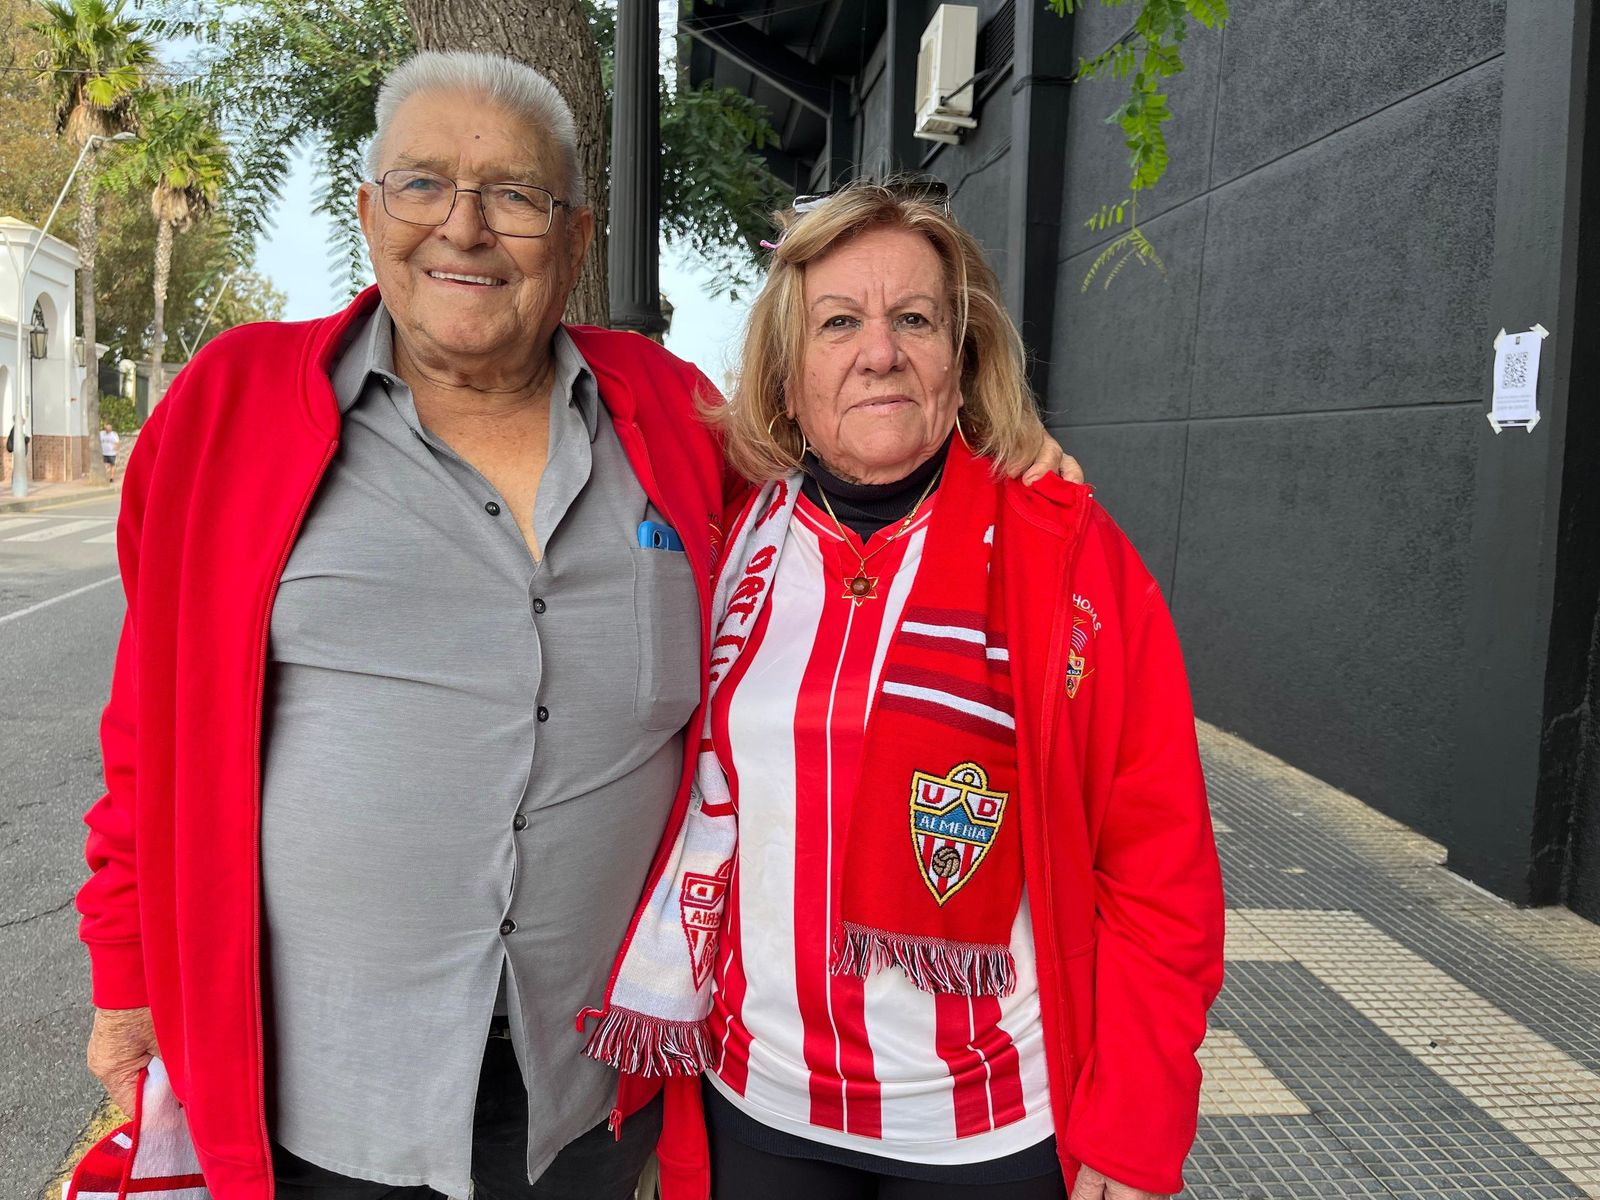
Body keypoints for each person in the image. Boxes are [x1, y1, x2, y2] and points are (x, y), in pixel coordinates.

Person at [78, 52, 1078, 1200]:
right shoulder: (231, 405)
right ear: (367, 210)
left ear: (577, 232)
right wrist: (125, 975)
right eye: (420, 185)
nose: (463, 228)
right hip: (323, 1087)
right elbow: (148, 725)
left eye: (515, 196)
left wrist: (1003, 465)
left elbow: (851, 484)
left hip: (592, 1084)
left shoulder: (669, 414)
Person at [590, 184, 1225, 1200]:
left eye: (915, 320)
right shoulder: (723, 536)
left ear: (960, 365)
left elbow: (1160, 868)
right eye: (837, 323)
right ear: (788, 379)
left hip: (987, 1127)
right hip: (758, 1105)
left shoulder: (1064, 556)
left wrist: (1139, 1121)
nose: (878, 352)